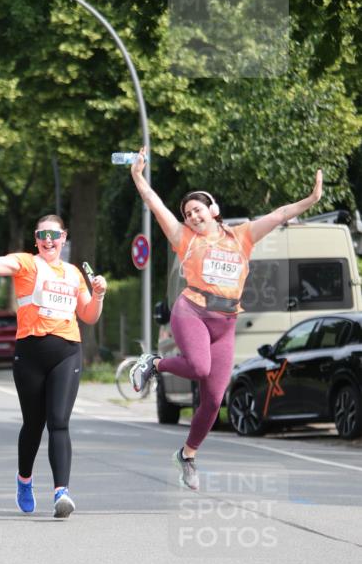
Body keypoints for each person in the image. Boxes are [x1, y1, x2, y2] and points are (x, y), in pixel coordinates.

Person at [129, 147, 323, 490]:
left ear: (213, 210)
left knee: (214, 401)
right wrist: (138, 177)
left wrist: (312, 198)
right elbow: (154, 204)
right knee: (200, 367)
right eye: (188, 213)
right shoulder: (184, 238)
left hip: (226, 325)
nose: (192, 216)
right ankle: (154, 363)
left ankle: (187, 455)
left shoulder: (242, 236)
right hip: (191, 311)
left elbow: (279, 214)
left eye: (197, 210)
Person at [0, 198, 107, 518]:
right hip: (30, 353)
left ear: (64, 238)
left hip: (67, 351)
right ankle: (24, 480)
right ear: (36, 239)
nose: (49, 241)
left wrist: (99, 295)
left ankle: (61, 493)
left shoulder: (72, 273)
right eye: (43, 236)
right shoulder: (25, 263)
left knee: (58, 422)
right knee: (33, 424)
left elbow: (89, 316)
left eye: (55, 236)